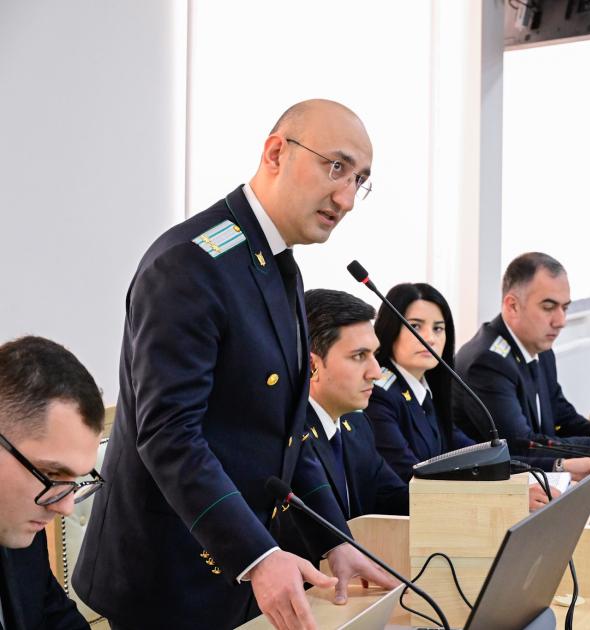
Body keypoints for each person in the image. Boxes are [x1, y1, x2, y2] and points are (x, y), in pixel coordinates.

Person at [74, 100, 396, 630]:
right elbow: (168, 433)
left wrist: (333, 539)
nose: (346, 198)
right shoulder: (190, 264)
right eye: (335, 167)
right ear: (275, 153)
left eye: (359, 180)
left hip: (240, 567)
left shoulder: (278, 265)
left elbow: (286, 437)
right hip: (170, 578)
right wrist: (256, 555)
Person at [365, 282, 557, 510]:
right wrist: (504, 497)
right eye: (415, 326)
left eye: (438, 328)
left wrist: (555, 466)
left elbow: (473, 455)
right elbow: (411, 477)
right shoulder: (379, 395)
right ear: (391, 329)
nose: (430, 338)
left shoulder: (429, 389)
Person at [453, 253, 590, 479]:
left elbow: (562, 416)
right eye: (549, 307)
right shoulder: (487, 362)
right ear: (512, 306)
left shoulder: (539, 349)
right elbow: (519, 444)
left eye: (565, 308)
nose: (560, 321)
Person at [0, 336, 105, 630]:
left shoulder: (18, 529)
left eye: (74, 482)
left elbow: (55, 617)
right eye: (51, 475)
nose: (66, 507)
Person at [298, 289, 409, 519]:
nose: (376, 372)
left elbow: (395, 500)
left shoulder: (356, 425)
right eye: (359, 356)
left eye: (374, 355)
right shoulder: (288, 437)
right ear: (312, 366)